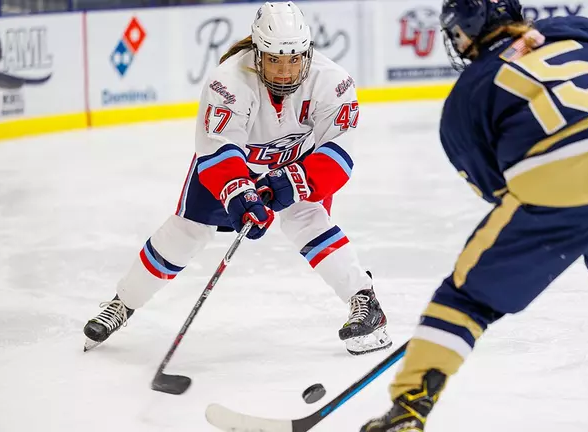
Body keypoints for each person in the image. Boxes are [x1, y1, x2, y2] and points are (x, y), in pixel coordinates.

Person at [361, 0, 588, 430]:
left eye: (457, 33)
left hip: (564, 192)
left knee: (466, 296)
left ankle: (408, 409)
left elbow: (501, 192)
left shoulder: (467, 97)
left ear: (467, 29)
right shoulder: (578, 29)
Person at [83, 1, 392, 357]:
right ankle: (123, 302)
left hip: (297, 164)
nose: (285, 71)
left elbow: (338, 154)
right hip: (236, 164)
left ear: (307, 52)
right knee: (188, 230)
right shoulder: (228, 81)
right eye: (275, 59)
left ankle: (364, 300)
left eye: (294, 59)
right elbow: (218, 150)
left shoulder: (333, 83)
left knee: (307, 219)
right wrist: (240, 193)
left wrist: (292, 182)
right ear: (258, 54)